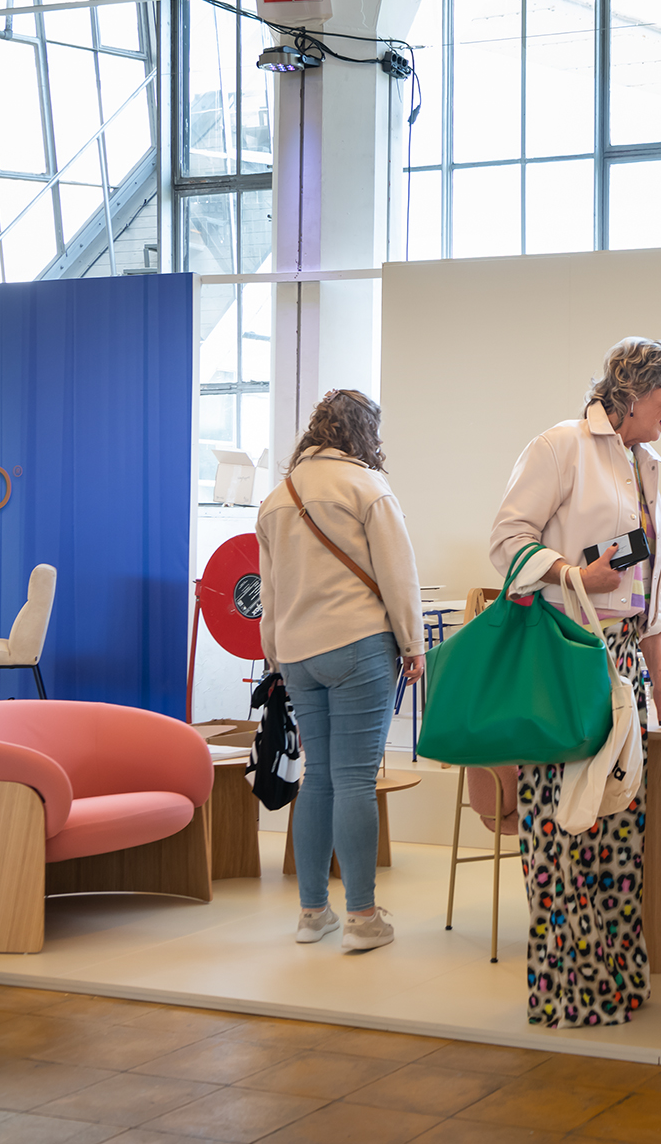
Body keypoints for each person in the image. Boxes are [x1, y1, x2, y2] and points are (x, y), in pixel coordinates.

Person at [490, 336, 661, 1027]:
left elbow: (648, 589)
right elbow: (506, 541)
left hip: (625, 664)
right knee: (563, 826)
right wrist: (575, 575)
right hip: (567, 656)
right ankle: (565, 991)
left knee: (617, 826)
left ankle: (614, 984)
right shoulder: (561, 446)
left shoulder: (645, 463)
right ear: (633, 390)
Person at [257, 389, 426, 953]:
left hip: (298, 654)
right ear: (364, 433)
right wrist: (413, 642)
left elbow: (270, 593)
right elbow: (398, 575)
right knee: (355, 780)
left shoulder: (277, 498)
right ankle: (362, 918)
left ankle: (312, 914)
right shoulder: (367, 486)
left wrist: (277, 657)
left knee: (318, 779)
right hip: (358, 645)